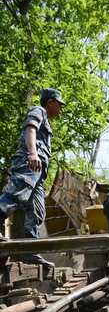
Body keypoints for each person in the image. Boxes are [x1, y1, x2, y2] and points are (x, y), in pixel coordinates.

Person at [0, 88, 65, 268]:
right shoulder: (39, 110)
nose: (61, 109)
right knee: (16, 195)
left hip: (39, 171)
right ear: (50, 101)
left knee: (37, 211)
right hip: (29, 163)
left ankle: (31, 250)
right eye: (60, 104)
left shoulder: (47, 121)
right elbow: (30, 129)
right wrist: (33, 154)